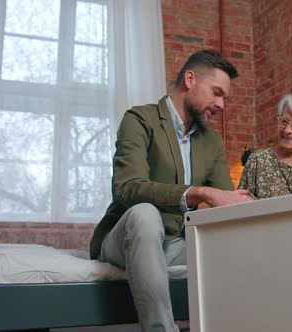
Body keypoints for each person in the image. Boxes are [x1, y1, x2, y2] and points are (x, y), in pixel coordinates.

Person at [90, 50, 254, 332]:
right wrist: (200, 193)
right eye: (216, 93)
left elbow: (222, 200)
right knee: (144, 214)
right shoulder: (140, 119)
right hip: (127, 236)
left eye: (224, 97)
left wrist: (244, 204)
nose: (221, 104)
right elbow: (127, 189)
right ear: (190, 79)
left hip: (175, 243)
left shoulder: (211, 141)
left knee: (236, 238)